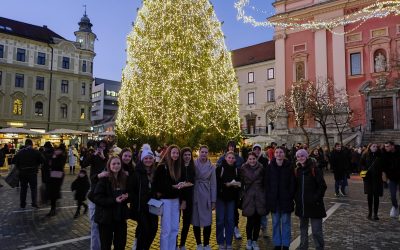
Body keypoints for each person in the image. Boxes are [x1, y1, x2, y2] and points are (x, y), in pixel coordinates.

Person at [93, 156, 129, 250]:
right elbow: (97, 198)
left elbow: (129, 193)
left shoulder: (124, 178)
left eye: (118, 163)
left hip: (120, 217)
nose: (116, 166)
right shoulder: (104, 179)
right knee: (105, 246)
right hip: (106, 218)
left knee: (120, 244)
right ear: (109, 165)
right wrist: (114, 200)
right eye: (113, 164)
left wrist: (127, 196)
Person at [294, 149, 327, 250]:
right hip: (302, 205)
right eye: (298, 156)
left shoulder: (314, 169)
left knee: (316, 230)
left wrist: (315, 198)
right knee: (303, 229)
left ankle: (319, 247)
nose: (300, 158)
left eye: (302, 156)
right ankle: (303, 246)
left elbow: (322, 186)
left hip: (315, 205)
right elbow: (296, 187)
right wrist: (297, 198)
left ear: (306, 156)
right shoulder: (297, 170)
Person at [128, 144, 158, 250]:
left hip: (153, 207)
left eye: (150, 158)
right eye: (146, 158)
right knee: (144, 231)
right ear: (142, 159)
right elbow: (132, 191)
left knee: (153, 229)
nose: (148, 160)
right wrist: (136, 204)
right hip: (141, 208)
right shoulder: (137, 173)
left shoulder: (155, 172)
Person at [265, 147, 295, 250]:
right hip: (274, 200)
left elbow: (292, 182)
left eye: (281, 152)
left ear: (284, 154)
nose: (278, 154)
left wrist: (290, 194)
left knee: (286, 223)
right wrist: (269, 195)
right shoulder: (269, 167)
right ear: (274, 154)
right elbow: (267, 183)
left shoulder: (289, 166)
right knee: (275, 223)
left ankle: (286, 244)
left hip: (286, 199)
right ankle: (277, 243)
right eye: (277, 152)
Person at [153, 145, 181, 250]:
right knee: (166, 229)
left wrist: (181, 185)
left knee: (175, 228)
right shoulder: (162, 167)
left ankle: (172, 248)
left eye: (177, 153)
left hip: (176, 200)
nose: (175, 155)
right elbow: (157, 185)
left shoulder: (177, 167)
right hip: (166, 201)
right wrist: (173, 187)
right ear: (168, 153)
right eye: (173, 153)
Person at [82, 140, 109, 250]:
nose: (101, 148)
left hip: (105, 191)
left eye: (104, 146)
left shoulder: (107, 157)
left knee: (104, 223)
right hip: (94, 190)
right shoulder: (93, 156)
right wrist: (93, 155)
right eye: (100, 146)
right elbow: (84, 164)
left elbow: (113, 166)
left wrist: (104, 158)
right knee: (94, 223)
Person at [216, 140, 244, 240]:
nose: (231, 159)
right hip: (223, 194)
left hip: (234, 193)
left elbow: (241, 174)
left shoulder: (240, 159)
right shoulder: (221, 161)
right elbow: (218, 177)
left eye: (233, 146)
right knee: (222, 216)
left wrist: (237, 183)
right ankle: (223, 231)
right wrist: (225, 185)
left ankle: (234, 230)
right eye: (230, 146)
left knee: (233, 214)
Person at [240, 152, 266, 250]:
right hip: (249, 197)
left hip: (260, 196)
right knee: (250, 220)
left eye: (253, 159)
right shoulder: (243, 169)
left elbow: (264, 182)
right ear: (247, 159)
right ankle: (249, 240)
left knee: (258, 220)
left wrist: (264, 194)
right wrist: (242, 194)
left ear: (256, 159)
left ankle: (255, 241)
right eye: (250, 159)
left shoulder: (262, 168)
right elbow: (241, 183)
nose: (252, 161)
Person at [192, 145, 216, 250]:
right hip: (195, 194)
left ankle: (206, 244)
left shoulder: (211, 167)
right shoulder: (193, 164)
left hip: (206, 195)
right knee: (196, 221)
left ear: (208, 153)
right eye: (202, 152)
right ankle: (198, 244)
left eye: (206, 152)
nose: (204, 154)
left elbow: (214, 184)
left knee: (207, 221)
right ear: (199, 152)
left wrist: (213, 200)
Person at [13, 139, 44, 208]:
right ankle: (34, 203)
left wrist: (20, 166)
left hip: (22, 173)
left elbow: (14, 161)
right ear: (32, 144)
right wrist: (37, 164)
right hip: (32, 173)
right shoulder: (36, 152)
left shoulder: (20, 152)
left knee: (23, 189)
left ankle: (22, 203)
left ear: (25, 144)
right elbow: (42, 160)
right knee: (33, 188)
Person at [178, 147, 195, 250]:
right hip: (179, 198)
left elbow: (192, 183)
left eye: (189, 155)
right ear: (182, 156)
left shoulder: (193, 167)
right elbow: (180, 185)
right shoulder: (179, 167)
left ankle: (182, 244)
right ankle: (174, 244)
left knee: (186, 223)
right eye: (185, 155)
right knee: (175, 223)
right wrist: (183, 200)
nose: (187, 156)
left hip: (189, 199)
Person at [360, 143, 383, 220]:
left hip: (377, 179)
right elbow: (361, 164)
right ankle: (370, 212)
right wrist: (364, 170)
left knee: (376, 196)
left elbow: (383, 166)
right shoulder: (365, 155)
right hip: (368, 179)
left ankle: (375, 214)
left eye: (376, 146)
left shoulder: (380, 155)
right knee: (369, 196)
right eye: (373, 146)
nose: (375, 148)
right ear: (369, 147)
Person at [252, 143, 269, 238]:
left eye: (258, 149)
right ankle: (256, 229)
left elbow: (266, 174)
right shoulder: (250, 160)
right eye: (255, 149)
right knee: (254, 211)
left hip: (262, 188)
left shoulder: (265, 160)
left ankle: (264, 228)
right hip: (253, 190)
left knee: (262, 210)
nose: (257, 151)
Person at [46, 144, 67, 216]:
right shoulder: (55, 156)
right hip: (54, 175)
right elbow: (50, 163)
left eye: (58, 150)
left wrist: (54, 159)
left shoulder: (62, 156)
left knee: (54, 192)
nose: (56, 151)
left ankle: (53, 208)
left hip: (58, 175)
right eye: (56, 150)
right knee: (53, 192)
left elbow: (58, 165)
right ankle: (53, 207)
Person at [383, 141, 400, 218]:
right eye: (385, 146)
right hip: (392, 178)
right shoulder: (385, 154)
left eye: (387, 146)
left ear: (392, 146)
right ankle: (395, 206)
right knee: (392, 195)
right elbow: (383, 167)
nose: (386, 148)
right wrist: (385, 179)